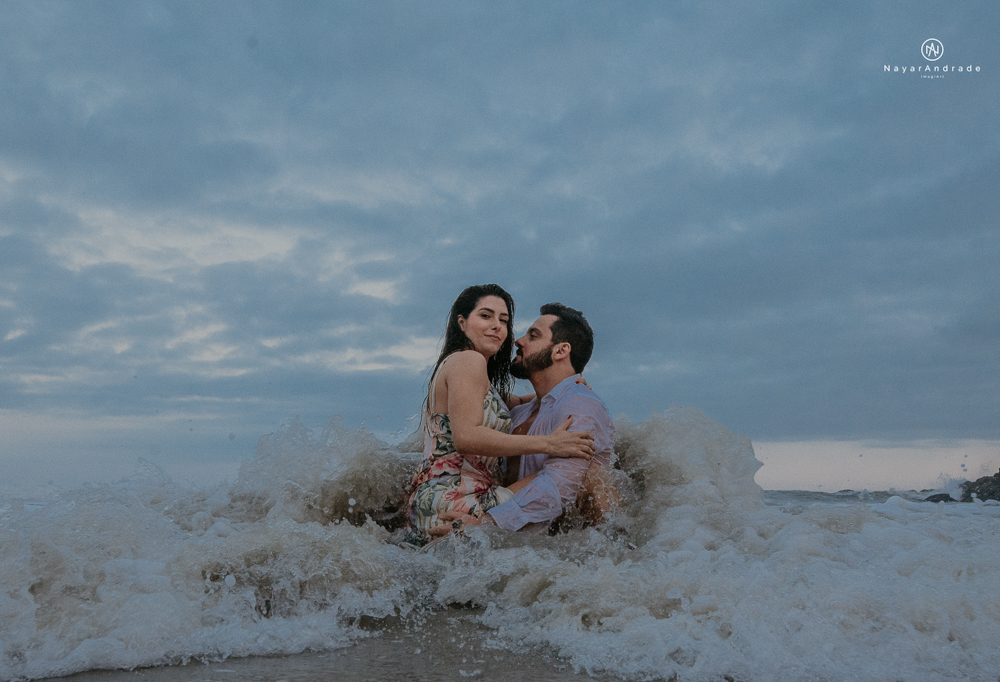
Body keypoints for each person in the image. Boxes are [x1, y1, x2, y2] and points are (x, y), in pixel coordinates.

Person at [405, 285, 595, 545]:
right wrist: (550, 443)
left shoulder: (463, 367)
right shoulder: (468, 361)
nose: (497, 326)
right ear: (462, 323)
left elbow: (512, 402)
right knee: (560, 475)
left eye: (503, 320)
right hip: (457, 499)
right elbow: (467, 437)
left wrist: (566, 386)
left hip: (441, 495)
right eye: (486, 316)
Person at [436, 303, 615, 534]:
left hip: (575, 553)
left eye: (533, 335)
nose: (519, 340)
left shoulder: (580, 405)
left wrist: (486, 524)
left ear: (560, 351)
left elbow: (560, 484)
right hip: (519, 542)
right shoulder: (522, 410)